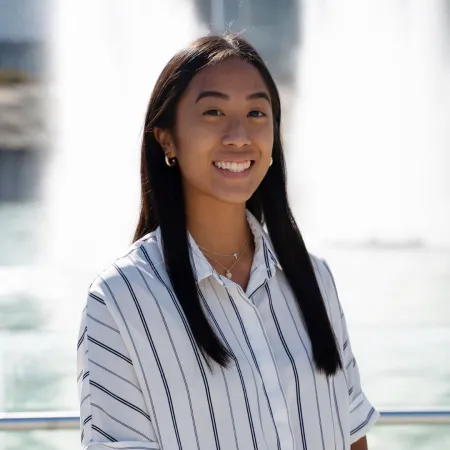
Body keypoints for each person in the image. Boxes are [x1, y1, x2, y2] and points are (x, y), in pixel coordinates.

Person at [77, 33, 379, 450]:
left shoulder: (314, 279)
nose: (239, 135)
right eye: (214, 111)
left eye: (257, 112)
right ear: (166, 138)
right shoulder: (119, 300)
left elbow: (352, 438)